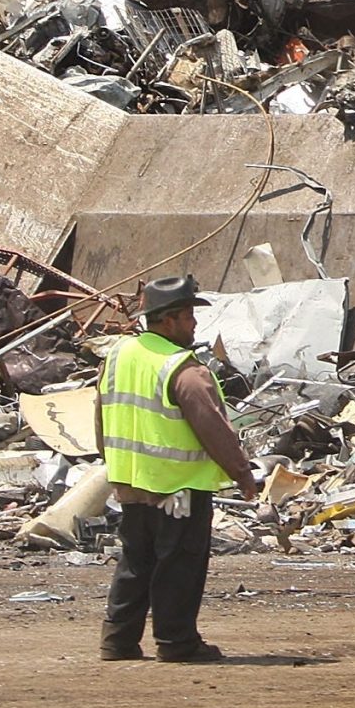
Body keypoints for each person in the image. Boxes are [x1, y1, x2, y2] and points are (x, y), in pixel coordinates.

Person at [95, 273, 259, 663]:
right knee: (179, 565)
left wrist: (112, 464)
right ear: (166, 320)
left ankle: (117, 641)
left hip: (131, 484)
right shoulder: (183, 370)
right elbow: (213, 429)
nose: (195, 324)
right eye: (187, 316)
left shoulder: (119, 356)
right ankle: (176, 642)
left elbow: (102, 417)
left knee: (136, 561)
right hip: (179, 489)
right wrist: (242, 474)